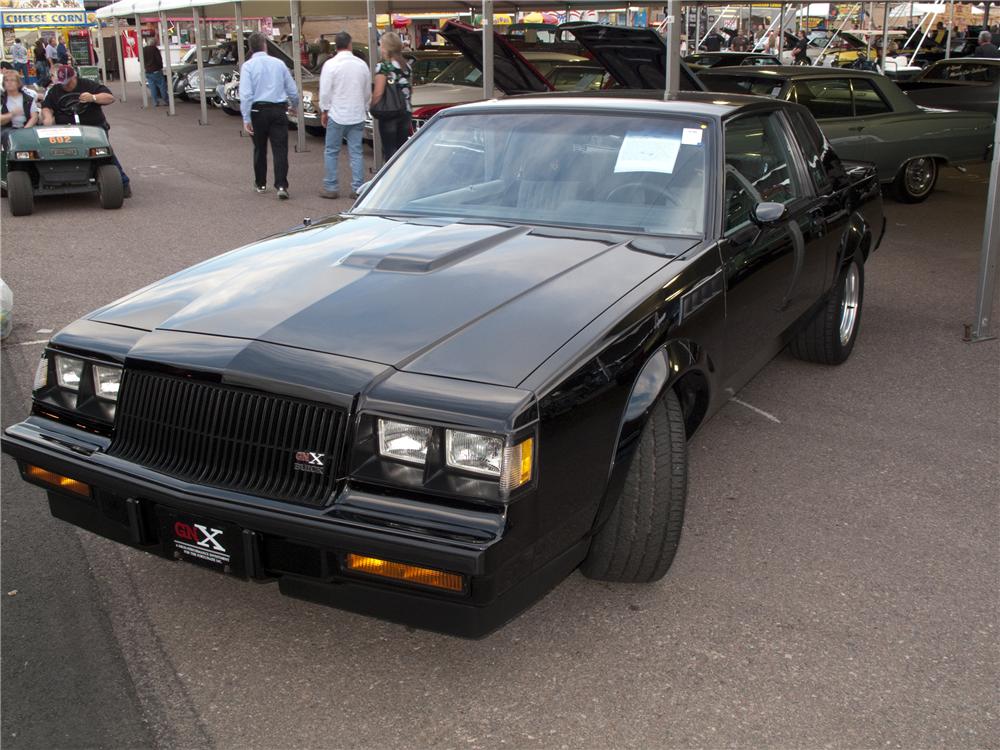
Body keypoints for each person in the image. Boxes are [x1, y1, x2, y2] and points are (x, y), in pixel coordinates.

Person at [41, 65, 131, 198]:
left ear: (74, 77)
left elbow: (109, 98)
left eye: (68, 82)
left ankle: (123, 183)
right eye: (62, 83)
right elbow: (46, 107)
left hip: (93, 127)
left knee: (105, 153)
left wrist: (93, 98)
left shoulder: (88, 85)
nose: (65, 86)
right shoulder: (55, 91)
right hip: (66, 129)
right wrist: (48, 117)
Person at [239, 31, 298, 199]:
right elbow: (292, 90)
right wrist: (294, 105)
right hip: (278, 109)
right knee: (280, 149)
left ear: (250, 48)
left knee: (259, 148)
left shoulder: (248, 66)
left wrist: (246, 118)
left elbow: (246, 95)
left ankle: (261, 183)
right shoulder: (279, 64)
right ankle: (281, 185)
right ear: (265, 45)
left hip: (257, 111)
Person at [318, 31, 370, 199]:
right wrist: (364, 106)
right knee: (356, 151)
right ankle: (357, 187)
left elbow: (325, 92)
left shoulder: (330, 65)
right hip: (357, 113)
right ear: (350, 44)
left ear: (336, 45)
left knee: (332, 151)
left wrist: (324, 110)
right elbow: (367, 91)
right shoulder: (361, 65)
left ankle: (331, 186)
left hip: (337, 113)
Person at [370, 31, 412, 163]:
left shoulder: (383, 67)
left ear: (385, 47)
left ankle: (391, 180)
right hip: (405, 111)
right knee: (401, 149)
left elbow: (378, 92)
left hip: (390, 112)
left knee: (389, 150)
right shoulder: (407, 67)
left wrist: (372, 106)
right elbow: (410, 90)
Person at [1, 69, 40, 143]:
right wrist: (12, 114)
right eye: (6, 80)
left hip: (27, 129)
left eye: (12, 80)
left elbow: (34, 117)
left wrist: (24, 131)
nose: (9, 83)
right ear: (4, 83)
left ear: (18, 83)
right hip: (7, 130)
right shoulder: (1, 99)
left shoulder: (28, 98)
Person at [142, 36, 168, 106]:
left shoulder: (144, 49)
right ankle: (166, 100)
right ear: (154, 43)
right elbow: (159, 60)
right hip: (156, 71)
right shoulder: (155, 49)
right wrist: (161, 67)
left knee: (152, 87)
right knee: (162, 86)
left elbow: (139, 59)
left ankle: (155, 102)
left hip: (147, 71)